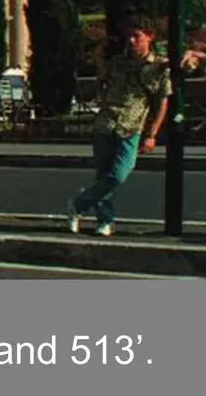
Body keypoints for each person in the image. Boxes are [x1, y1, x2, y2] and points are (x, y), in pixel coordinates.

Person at [68, 23, 171, 237]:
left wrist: (152, 134)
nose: (131, 41)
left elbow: (162, 102)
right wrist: (103, 100)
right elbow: (100, 81)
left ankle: (79, 203)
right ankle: (105, 221)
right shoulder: (118, 63)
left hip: (131, 127)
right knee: (103, 174)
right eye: (129, 37)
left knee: (118, 175)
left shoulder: (159, 67)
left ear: (149, 37)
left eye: (137, 36)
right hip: (105, 124)